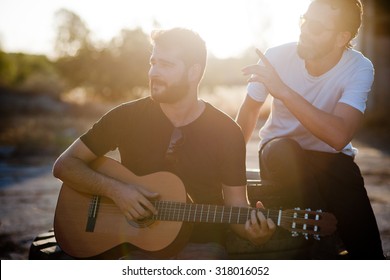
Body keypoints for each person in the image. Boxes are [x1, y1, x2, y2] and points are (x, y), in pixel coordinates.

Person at [53, 27, 275, 260]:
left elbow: (237, 206)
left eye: (166, 65)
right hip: (133, 244)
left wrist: (254, 233)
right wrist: (116, 191)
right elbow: (65, 165)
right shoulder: (126, 116)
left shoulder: (227, 131)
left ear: (193, 72)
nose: (154, 73)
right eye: (153, 63)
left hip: (199, 246)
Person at [236, 0, 384, 259]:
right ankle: (322, 248)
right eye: (304, 20)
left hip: (330, 160)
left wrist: (282, 90)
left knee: (344, 172)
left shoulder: (359, 67)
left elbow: (339, 136)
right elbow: (249, 111)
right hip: (278, 152)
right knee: (285, 149)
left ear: (342, 37)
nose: (304, 29)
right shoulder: (277, 56)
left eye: (316, 26)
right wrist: (231, 170)